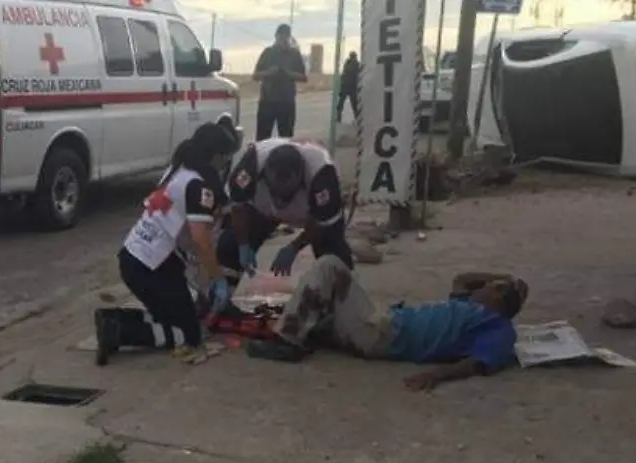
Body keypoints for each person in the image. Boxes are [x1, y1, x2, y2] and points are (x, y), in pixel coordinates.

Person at [248, 257, 529, 391]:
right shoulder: (469, 305)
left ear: (498, 296)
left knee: (330, 267)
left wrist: (435, 375)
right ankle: (309, 332)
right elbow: (462, 279)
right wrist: (505, 276)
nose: (481, 286)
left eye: (490, 286)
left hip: (384, 334)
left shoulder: (498, 326)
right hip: (384, 323)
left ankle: (289, 342)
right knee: (322, 302)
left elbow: (477, 363)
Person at [94, 123, 238, 366]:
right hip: (152, 265)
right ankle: (117, 332)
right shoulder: (198, 186)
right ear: (216, 155)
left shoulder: (179, 170)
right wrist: (217, 278)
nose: (226, 162)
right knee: (190, 334)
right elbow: (201, 240)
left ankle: (113, 318)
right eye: (225, 156)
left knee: (170, 315)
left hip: (133, 255)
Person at [213, 137, 352, 306]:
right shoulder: (250, 165)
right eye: (277, 193)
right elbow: (238, 207)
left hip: (309, 212)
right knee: (229, 245)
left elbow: (322, 223)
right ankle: (220, 299)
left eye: (285, 195)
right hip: (263, 208)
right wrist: (243, 244)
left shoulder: (322, 176)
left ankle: (337, 305)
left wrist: (294, 247)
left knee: (334, 256)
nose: (280, 202)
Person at [252, 24, 307, 140]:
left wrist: (289, 73)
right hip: (267, 101)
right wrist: (269, 72)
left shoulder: (294, 54)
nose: (283, 39)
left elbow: (303, 77)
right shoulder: (268, 53)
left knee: (286, 138)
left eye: (286, 36)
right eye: (281, 36)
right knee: (262, 139)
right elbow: (255, 75)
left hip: (286, 102)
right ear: (276, 36)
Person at [337, 52, 361, 122]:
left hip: (346, 86)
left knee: (341, 103)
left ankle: (338, 117)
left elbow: (343, 76)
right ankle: (357, 119)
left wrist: (340, 89)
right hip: (352, 87)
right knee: (354, 105)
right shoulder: (356, 64)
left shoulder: (347, 63)